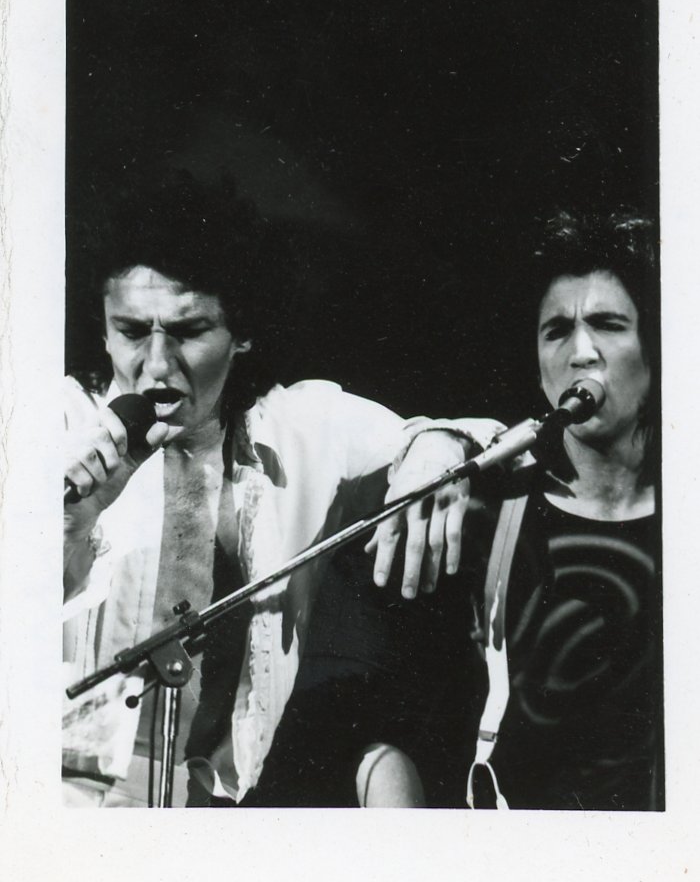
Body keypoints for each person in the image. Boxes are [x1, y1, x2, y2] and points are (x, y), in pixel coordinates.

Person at [62, 172, 498, 807]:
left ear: (242, 332)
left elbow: (461, 433)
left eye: (188, 332)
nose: (156, 365)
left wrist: (437, 449)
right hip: (56, 799)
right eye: (131, 331)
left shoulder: (297, 429)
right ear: (103, 332)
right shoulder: (55, 423)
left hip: (210, 812)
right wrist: (71, 525)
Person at [360, 209, 663, 811]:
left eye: (608, 325)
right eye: (556, 331)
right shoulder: (478, 516)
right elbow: (384, 720)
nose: (582, 352)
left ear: (656, 348)